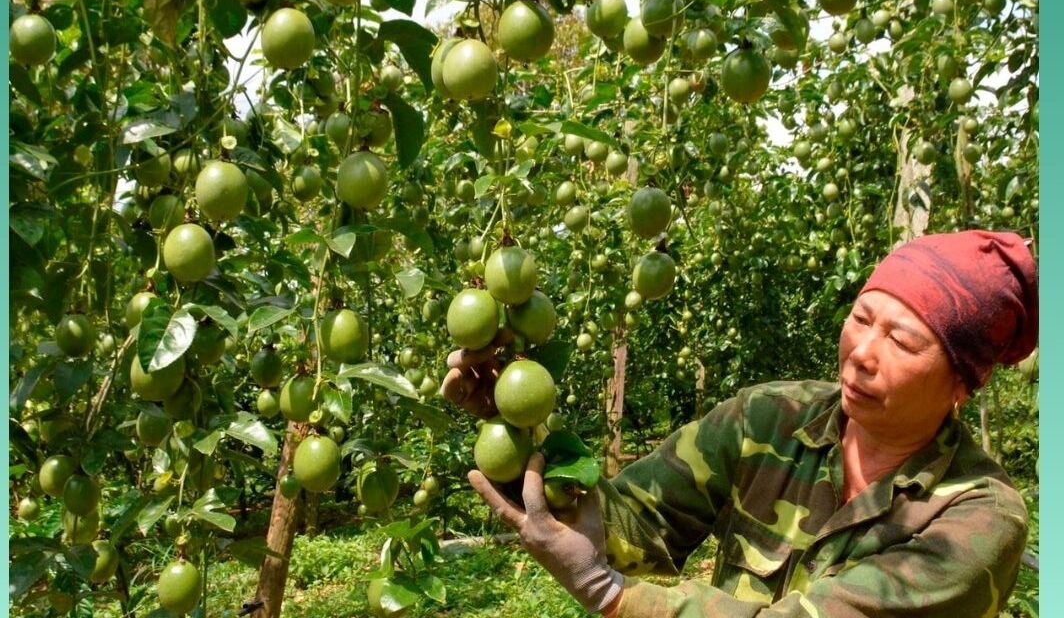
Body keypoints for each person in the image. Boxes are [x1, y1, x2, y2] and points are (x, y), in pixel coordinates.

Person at [441, 230, 1038, 617]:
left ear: (962, 382)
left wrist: (612, 596)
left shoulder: (979, 519)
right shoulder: (770, 419)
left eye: (902, 342)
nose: (862, 352)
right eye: (861, 317)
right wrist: (523, 427)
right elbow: (633, 520)